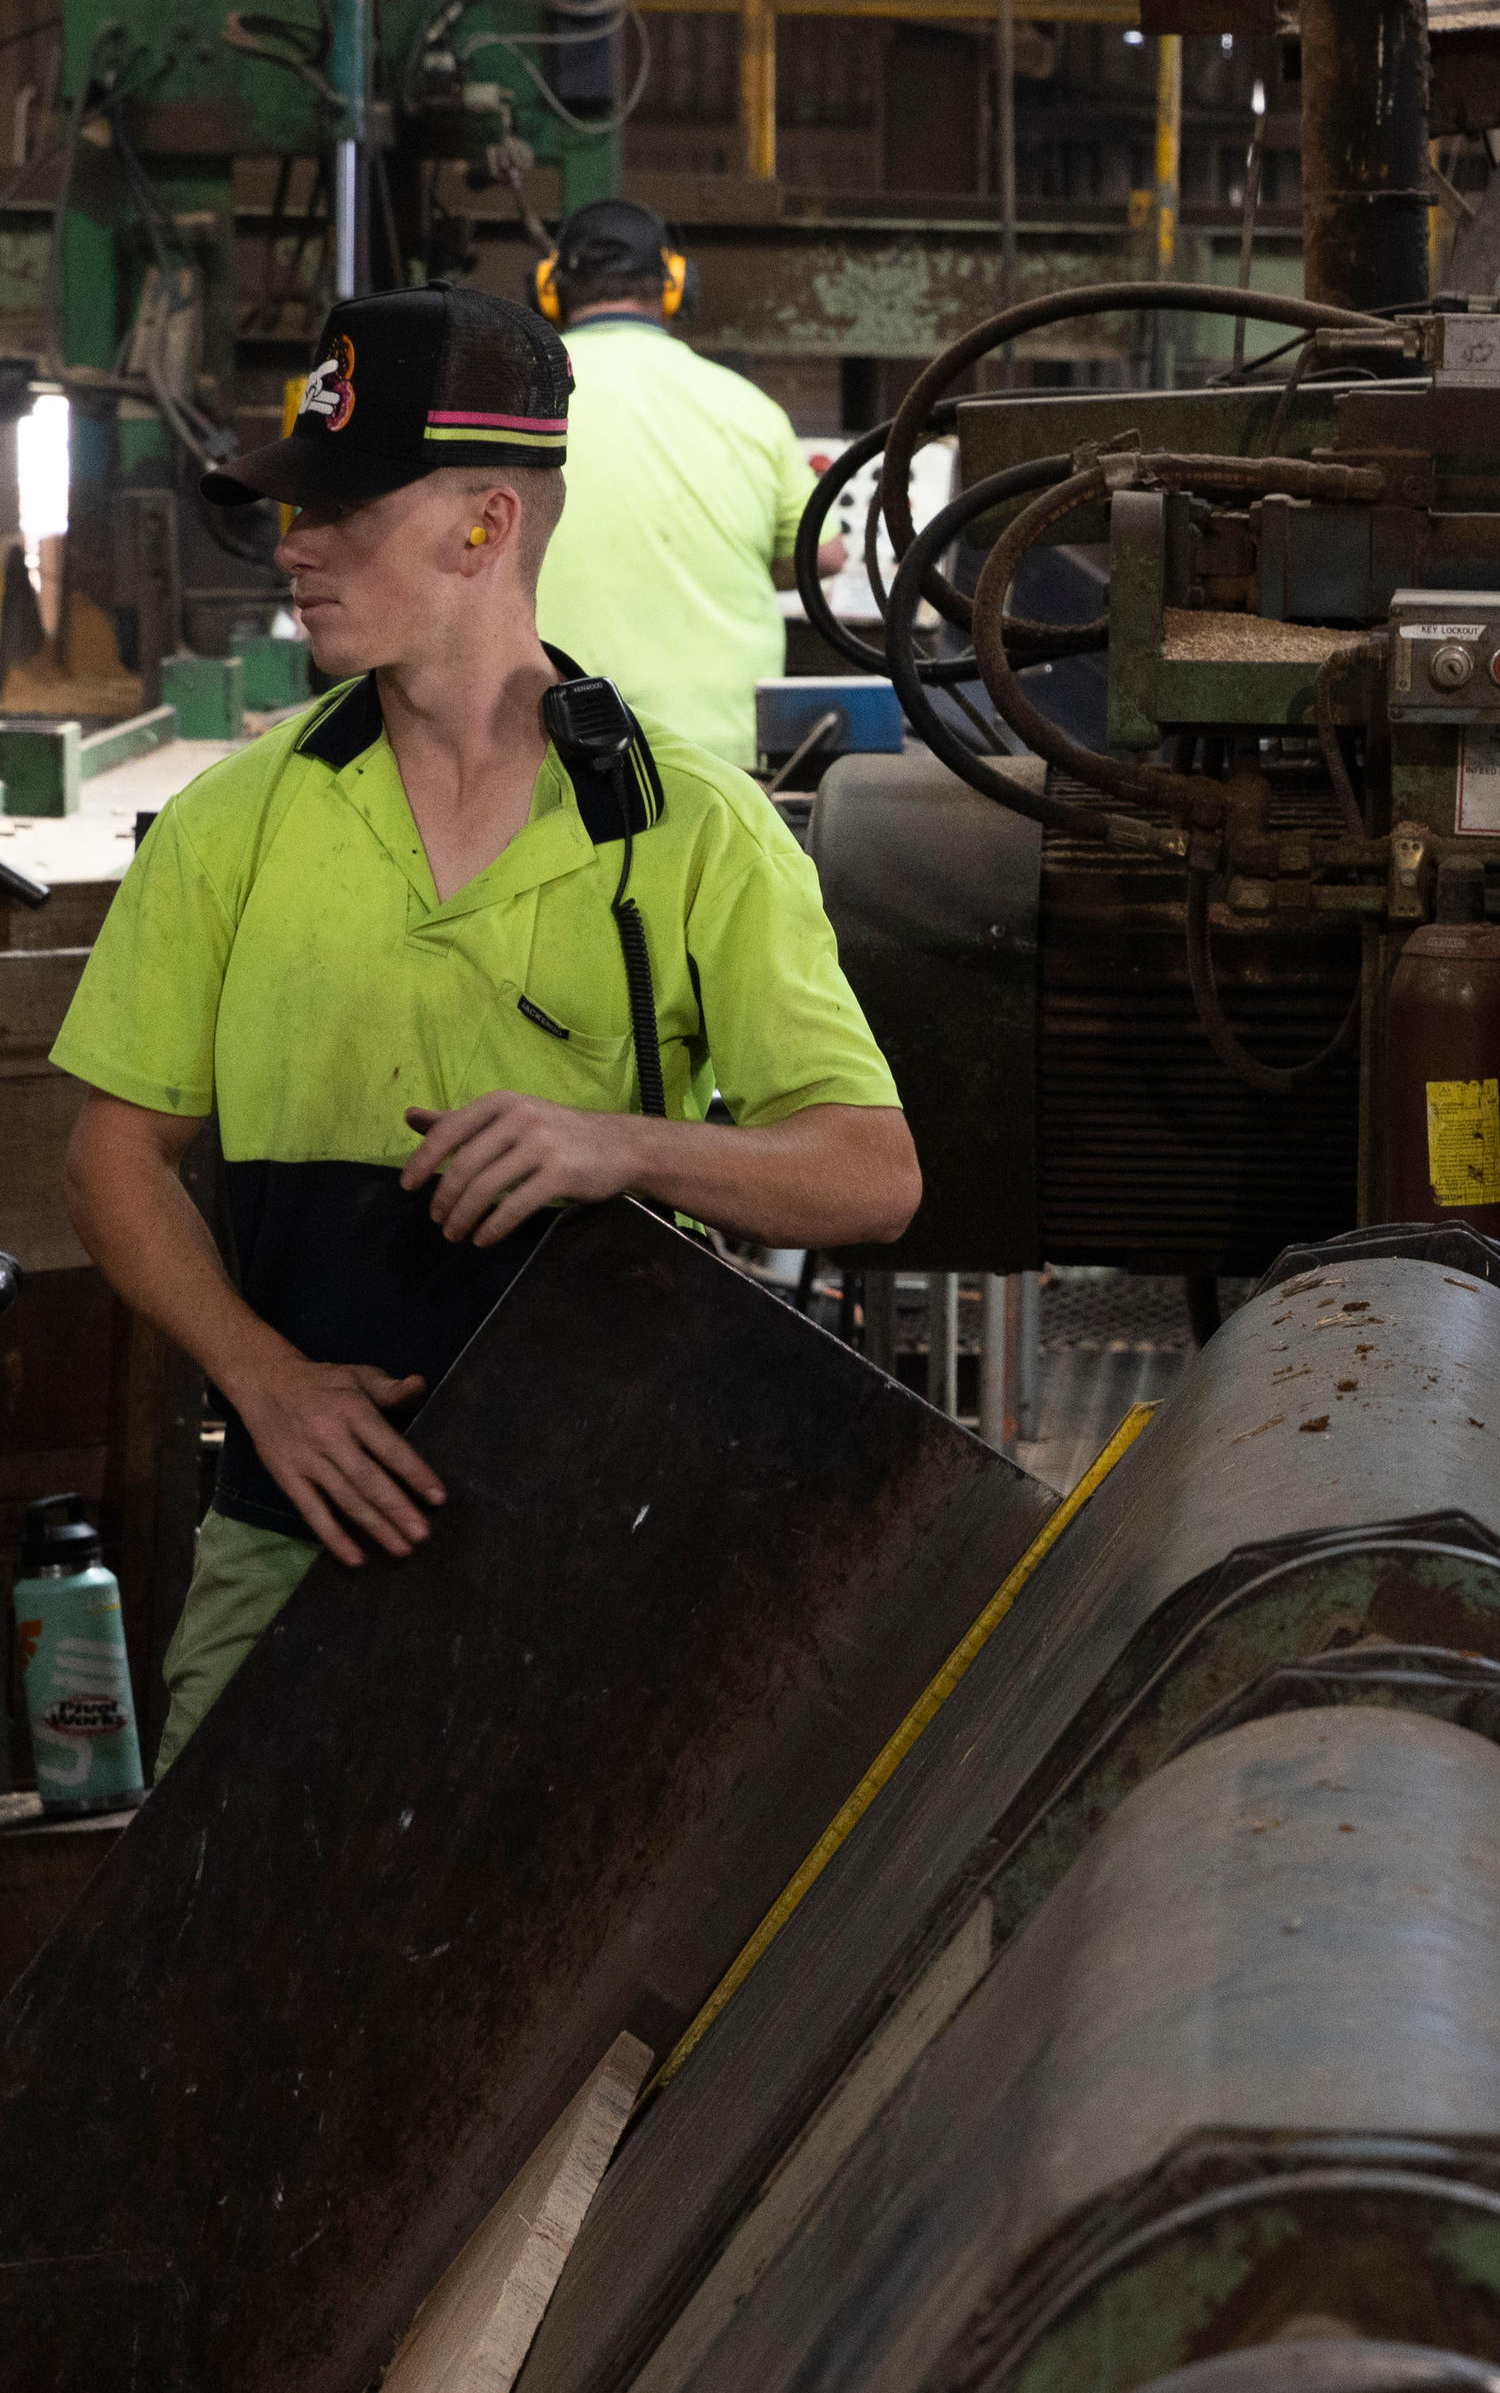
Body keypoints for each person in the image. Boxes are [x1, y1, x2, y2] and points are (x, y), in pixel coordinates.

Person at [55, 285, 919, 1760]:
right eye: (293, 507)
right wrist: (266, 1384)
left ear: (485, 525)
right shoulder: (231, 830)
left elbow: (870, 1170)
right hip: (296, 1531)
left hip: (607, 1538)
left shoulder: (693, 831)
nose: (295, 543)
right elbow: (109, 1159)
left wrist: (615, 1145)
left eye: (342, 506)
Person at [529, 197, 833, 771]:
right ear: (674, 287)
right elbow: (825, 553)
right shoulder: (750, 408)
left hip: (548, 744)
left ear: (548, 288)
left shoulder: (515, 402)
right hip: (718, 766)